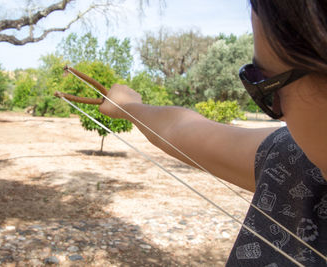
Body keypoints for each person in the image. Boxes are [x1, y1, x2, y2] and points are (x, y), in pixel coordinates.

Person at [98, 0, 327, 266]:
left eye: (265, 85)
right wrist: (128, 106)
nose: (275, 111)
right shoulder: (296, 164)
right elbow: (181, 130)